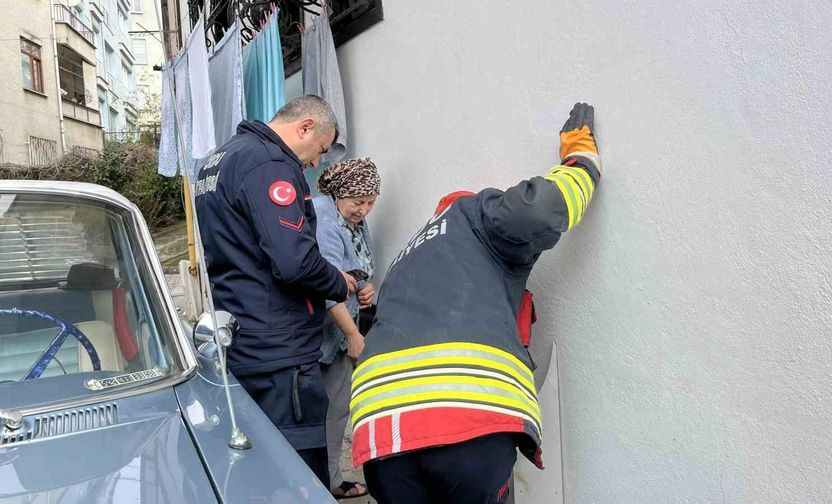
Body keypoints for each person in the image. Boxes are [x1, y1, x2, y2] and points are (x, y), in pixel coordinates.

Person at [349, 102, 603, 504]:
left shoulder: (407, 257)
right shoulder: (472, 213)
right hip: (462, 420)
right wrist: (581, 162)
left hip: (381, 429)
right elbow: (535, 211)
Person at [195, 94, 357, 489]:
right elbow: (294, 262)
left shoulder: (218, 160)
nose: (316, 163)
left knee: (254, 472)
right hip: (279, 354)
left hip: (241, 338)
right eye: (318, 149)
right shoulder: (269, 163)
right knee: (298, 479)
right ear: (304, 127)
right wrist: (339, 282)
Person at [312, 158, 381, 499]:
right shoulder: (324, 221)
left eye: (371, 203)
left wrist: (365, 287)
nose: (364, 210)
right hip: (326, 331)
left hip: (344, 321)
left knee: (337, 407)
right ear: (340, 195)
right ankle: (326, 483)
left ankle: (328, 478)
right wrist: (353, 335)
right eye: (358, 202)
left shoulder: (350, 216)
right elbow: (327, 287)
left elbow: (357, 268)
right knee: (331, 409)